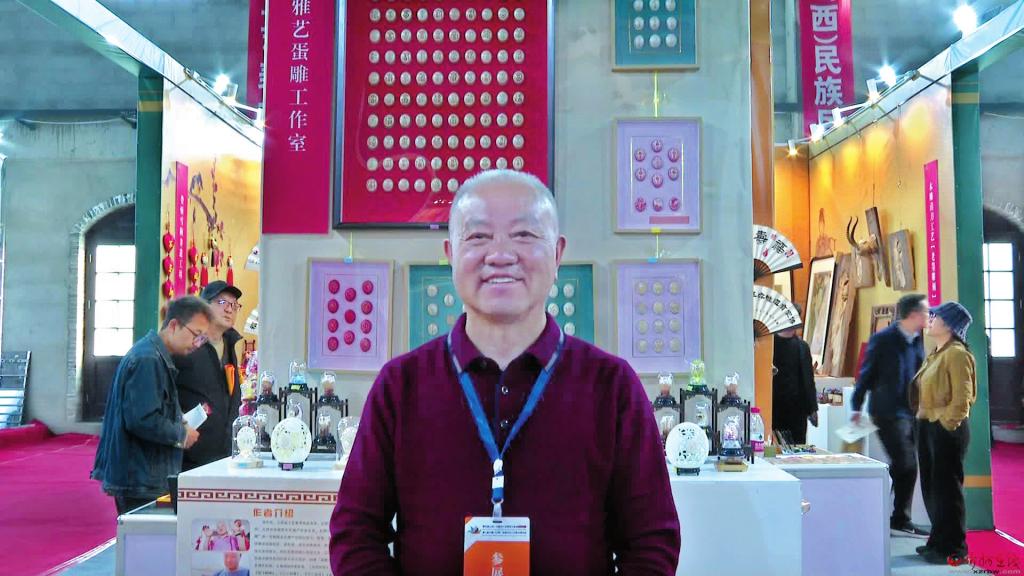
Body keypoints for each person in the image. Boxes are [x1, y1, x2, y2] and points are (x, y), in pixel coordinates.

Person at [330, 170, 680, 574]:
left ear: (557, 254)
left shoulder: (612, 386)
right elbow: (355, 534)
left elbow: (651, 543)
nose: (500, 254)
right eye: (478, 236)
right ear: (450, 253)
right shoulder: (400, 385)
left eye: (524, 235)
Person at [91, 296, 211, 514]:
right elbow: (142, 419)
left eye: (202, 339)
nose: (196, 344)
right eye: (196, 335)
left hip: (145, 474)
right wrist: (181, 434)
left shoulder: (154, 355)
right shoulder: (148, 359)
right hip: (140, 478)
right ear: (173, 325)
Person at [851, 294, 929, 537]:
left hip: (912, 411)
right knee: (906, 463)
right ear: (914, 314)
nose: (928, 316)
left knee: (907, 464)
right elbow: (866, 373)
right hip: (886, 411)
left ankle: (896, 516)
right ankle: (899, 517)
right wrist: (856, 405)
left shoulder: (917, 339)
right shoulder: (883, 339)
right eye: (926, 312)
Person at [912, 302, 977, 565]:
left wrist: (946, 425)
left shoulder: (957, 354)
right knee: (932, 489)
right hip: (928, 425)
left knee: (947, 491)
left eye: (935, 316)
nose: (930, 319)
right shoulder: (937, 352)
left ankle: (954, 548)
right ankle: (938, 541)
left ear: (949, 325)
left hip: (946, 429)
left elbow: (963, 399)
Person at [176, 280, 244, 471]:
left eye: (234, 305)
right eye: (222, 302)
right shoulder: (188, 343)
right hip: (189, 455)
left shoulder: (230, 344)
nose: (229, 309)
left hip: (223, 453)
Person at [772, 304, 818, 444]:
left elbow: (808, 379)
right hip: (774, 407)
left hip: (797, 411)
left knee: (798, 448)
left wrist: (812, 409)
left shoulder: (802, 347)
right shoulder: (769, 345)